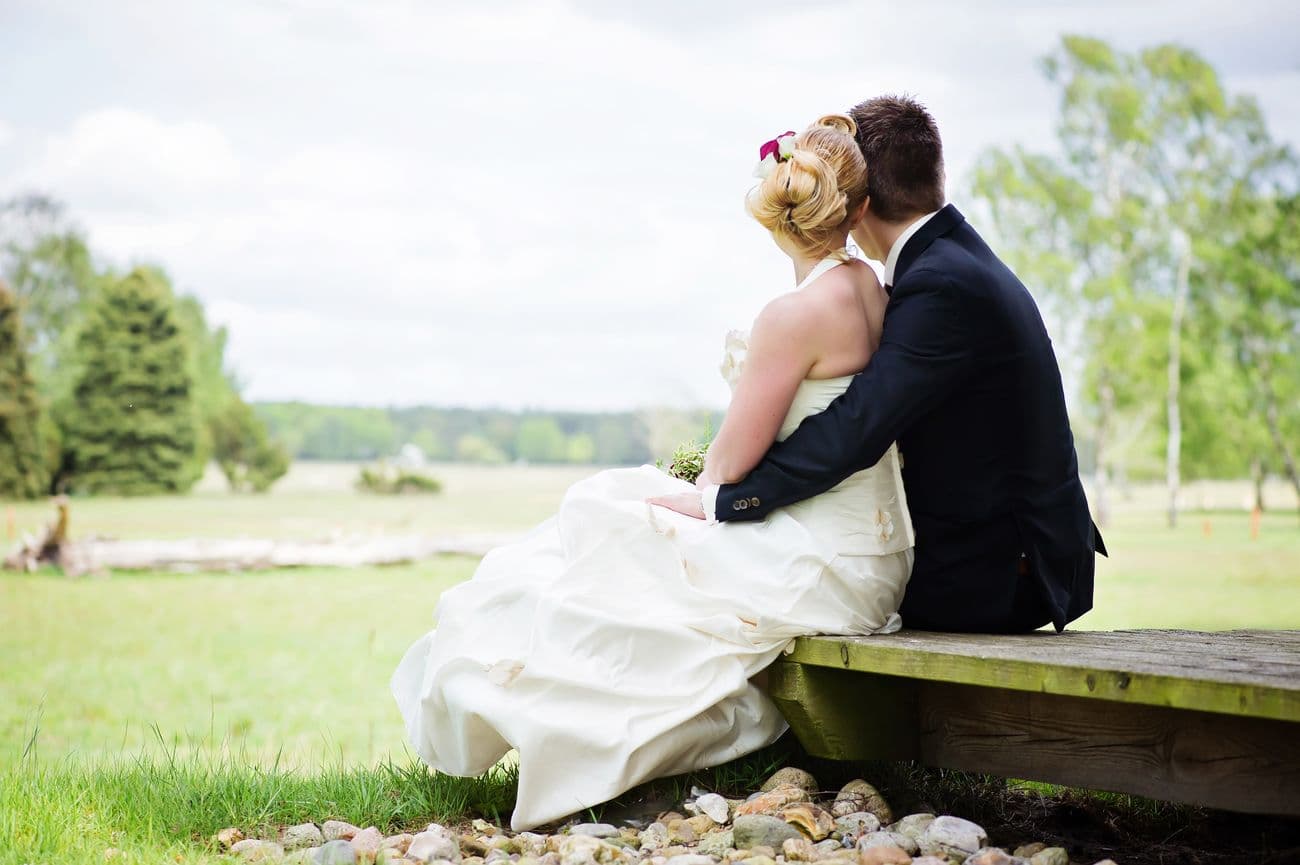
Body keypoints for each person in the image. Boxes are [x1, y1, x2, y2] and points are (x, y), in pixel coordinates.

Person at [392, 113, 915, 830]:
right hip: (879, 552)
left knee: (606, 516)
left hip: (822, 558)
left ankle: (568, 741)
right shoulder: (875, 290)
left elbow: (731, 462)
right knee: (626, 512)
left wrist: (697, 497)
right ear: (858, 210)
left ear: (775, 213)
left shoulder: (793, 315)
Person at [654, 95, 1106, 633]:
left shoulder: (942, 285)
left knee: (682, 577)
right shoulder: (944, 262)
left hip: (999, 575)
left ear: (858, 197)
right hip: (990, 547)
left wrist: (725, 502)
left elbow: (856, 428)